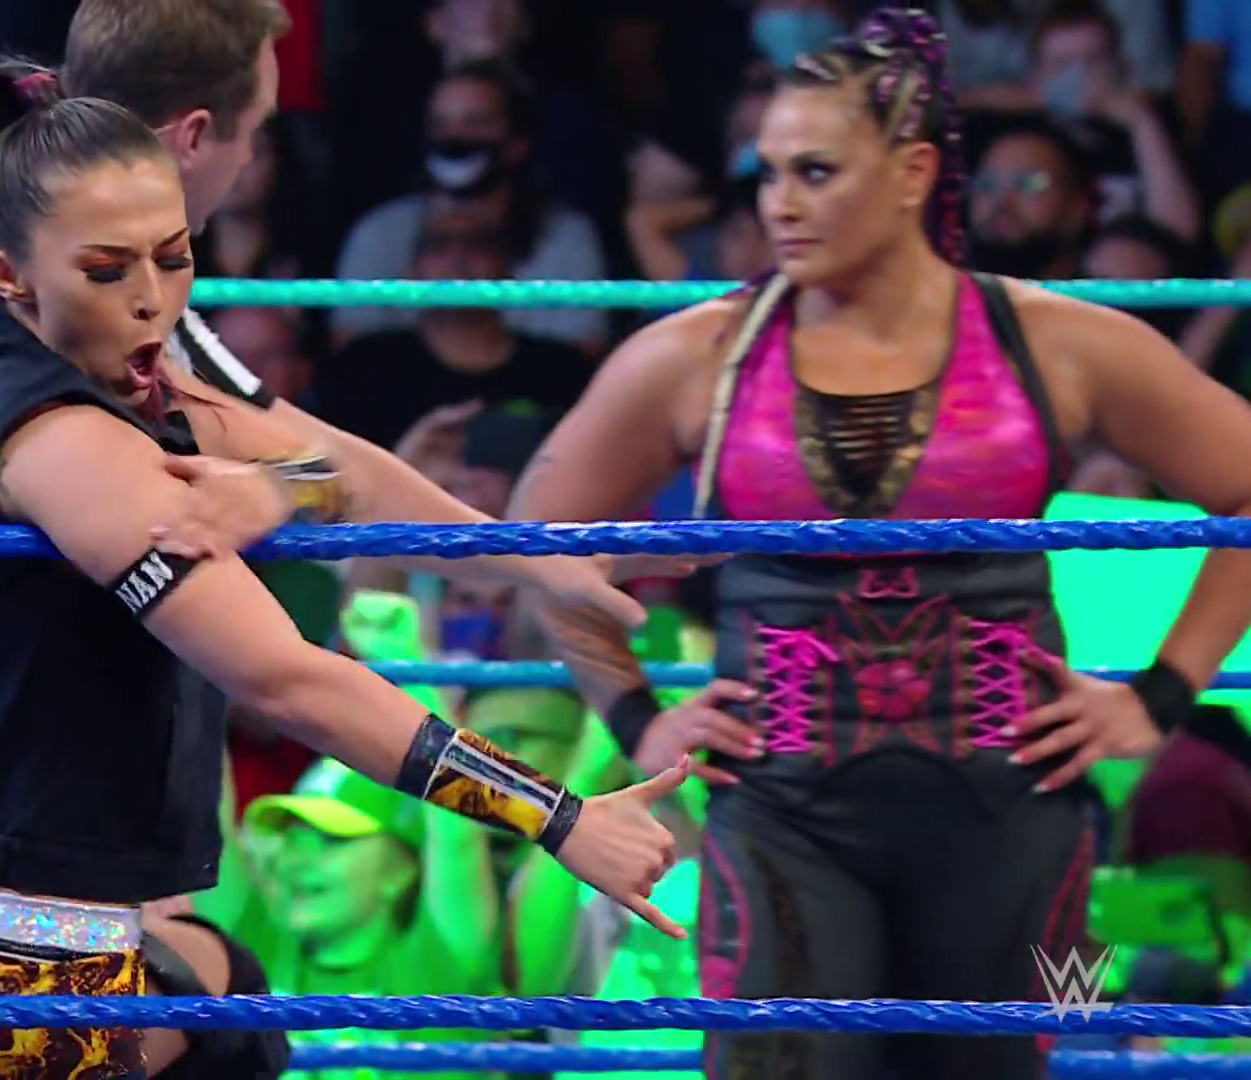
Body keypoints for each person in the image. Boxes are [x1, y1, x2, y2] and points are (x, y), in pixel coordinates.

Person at [0, 66, 688, 1080]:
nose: (151, 300)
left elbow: (335, 468)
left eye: (173, 257)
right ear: (11, 275)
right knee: (224, 1020)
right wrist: (558, 817)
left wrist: (525, 561)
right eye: (107, 270)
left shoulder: (76, 368)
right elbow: (287, 681)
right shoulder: (67, 446)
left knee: (227, 997)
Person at [506, 9, 1251, 1080]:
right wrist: (635, 717)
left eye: (815, 172)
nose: (780, 204)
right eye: (767, 174)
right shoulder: (701, 355)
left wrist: (1159, 697)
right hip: (779, 819)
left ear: (912, 172)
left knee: (1023, 1065)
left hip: (1024, 814)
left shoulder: (1054, 339)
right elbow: (536, 536)